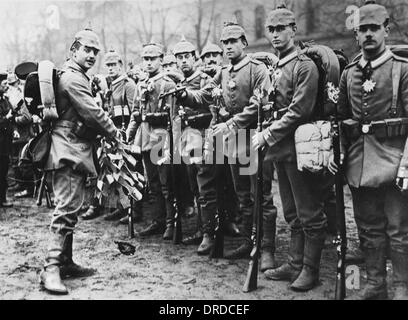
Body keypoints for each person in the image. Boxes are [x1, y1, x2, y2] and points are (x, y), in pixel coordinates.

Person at [329, 0, 408, 300]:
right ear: (356, 35)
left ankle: (402, 286)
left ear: (386, 30)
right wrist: (338, 153)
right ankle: (376, 284)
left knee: (399, 231)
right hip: (359, 163)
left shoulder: (402, 69)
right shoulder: (349, 73)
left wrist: (406, 166)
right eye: (363, 30)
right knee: (368, 228)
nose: (369, 35)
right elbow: (341, 119)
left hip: (395, 162)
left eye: (375, 28)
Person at [180, 21, 276, 260]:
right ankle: (247, 241)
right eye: (225, 42)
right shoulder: (223, 73)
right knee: (241, 193)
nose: (229, 46)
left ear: (244, 43)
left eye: (233, 41)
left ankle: (264, 247)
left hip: (251, 137)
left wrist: (232, 123)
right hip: (232, 140)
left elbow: (259, 104)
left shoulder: (257, 69)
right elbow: (203, 94)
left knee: (257, 195)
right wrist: (183, 94)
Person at [252, 5, 331, 291]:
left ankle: (310, 270)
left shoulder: (304, 65)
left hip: (302, 148)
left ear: (293, 30)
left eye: (281, 28)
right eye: (271, 29)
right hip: (281, 149)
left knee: (310, 212)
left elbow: (300, 110)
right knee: (292, 213)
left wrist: (267, 134)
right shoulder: (277, 66)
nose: (275, 34)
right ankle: (295, 264)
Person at [39, 27, 121, 295]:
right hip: (68, 150)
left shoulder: (75, 76)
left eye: (95, 51)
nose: (92, 55)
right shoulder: (73, 79)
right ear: (73, 51)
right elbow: (94, 114)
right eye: (87, 50)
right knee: (65, 209)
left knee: (72, 207)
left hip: (73, 148)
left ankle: (66, 262)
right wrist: (115, 133)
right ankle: (50, 269)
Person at [127, 43, 177, 239]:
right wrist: (129, 136)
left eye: (152, 59)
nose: (148, 63)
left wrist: (171, 144)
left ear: (161, 60)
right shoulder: (140, 84)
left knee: (167, 185)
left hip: (162, 139)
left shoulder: (168, 84)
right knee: (153, 183)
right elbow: (135, 114)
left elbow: (173, 118)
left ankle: (171, 223)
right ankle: (158, 221)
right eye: (145, 59)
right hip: (145, 138)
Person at [0, 73, 14, 208]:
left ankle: (2, 198)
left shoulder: (5, 100)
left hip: (5, 144)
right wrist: (7, 118)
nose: (7, 86)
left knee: (3, 171)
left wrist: (13, 130)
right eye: (4, 84)